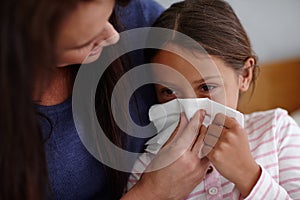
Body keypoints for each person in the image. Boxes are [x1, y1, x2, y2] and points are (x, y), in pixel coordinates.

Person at [1, 0, 214, 199]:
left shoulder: (138, 16)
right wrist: (152, 193)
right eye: (83, 42)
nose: (113, 36)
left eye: (109, 15)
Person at [127, 0, 300, 199]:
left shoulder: (277, 132)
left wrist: (248, 175)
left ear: (244, 75)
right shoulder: (149, 169)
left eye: (206, 87)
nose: (192, 112)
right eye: (169, 92)